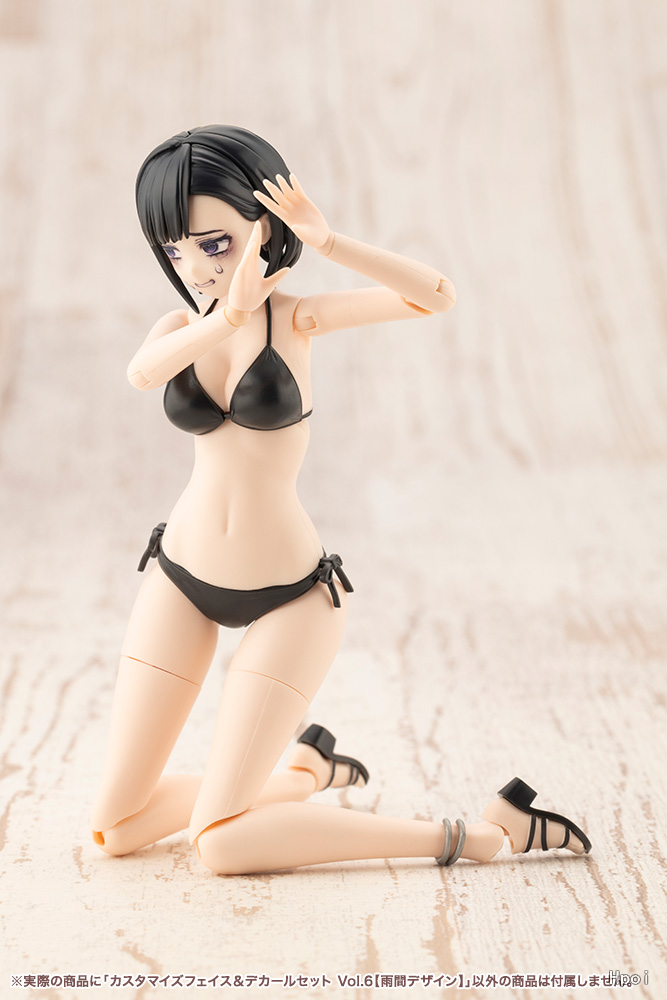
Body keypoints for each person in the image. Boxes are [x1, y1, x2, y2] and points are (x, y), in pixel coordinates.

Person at [90, 125, 590, 874]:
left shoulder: (296, 318)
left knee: (219, 844)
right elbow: (141, 375)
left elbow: (434, 296)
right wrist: (225, 316)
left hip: (292, 595)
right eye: (174, 250)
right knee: (115, 827)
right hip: (180, 576)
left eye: (215, 244)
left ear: (266, 228)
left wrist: (327, 240)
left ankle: (487, 834)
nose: (194, 267)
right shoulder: (181, 328)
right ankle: (304, 774)